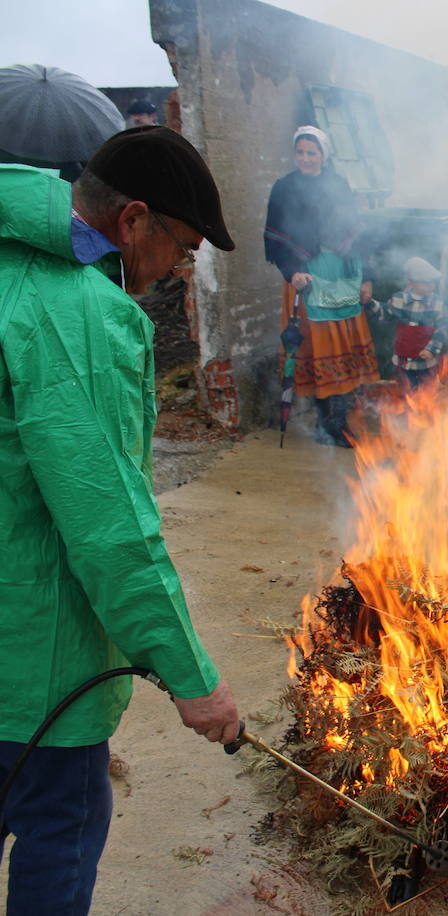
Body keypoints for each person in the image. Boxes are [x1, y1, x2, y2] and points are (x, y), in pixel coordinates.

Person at [0, 126, 241, 915]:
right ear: (133, 220)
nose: (178, 272)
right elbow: (107, 524)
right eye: (181, 246)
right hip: (36, 674)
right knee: (59, 835)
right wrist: (192, 677)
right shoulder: (78, 316)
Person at [264, 126, 379, 447]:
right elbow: (275, 237)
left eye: (311, 153)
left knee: (343, 346)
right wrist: (292, 273)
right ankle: (324, 424)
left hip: (341, 276)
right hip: (306, 278)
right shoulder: (284, 188)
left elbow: (356, 233)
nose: (305, 159)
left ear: (323, 155)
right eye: (300, 152)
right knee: (317, 348)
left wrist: (367, 277)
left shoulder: (337, 185)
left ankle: (339, 419)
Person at [371, 256, 448, 391]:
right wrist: (370, 304)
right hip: (404, 362)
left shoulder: (437, 303)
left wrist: (431, 349)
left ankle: (425, 412)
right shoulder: (399, 299)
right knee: (408, 392)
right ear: (411, 283)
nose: (431, 285)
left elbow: (442, 328)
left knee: (427, 393)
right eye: (426, 282)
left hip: (427, 361)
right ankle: (409, 411)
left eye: (433, 282)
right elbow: (386, 313)